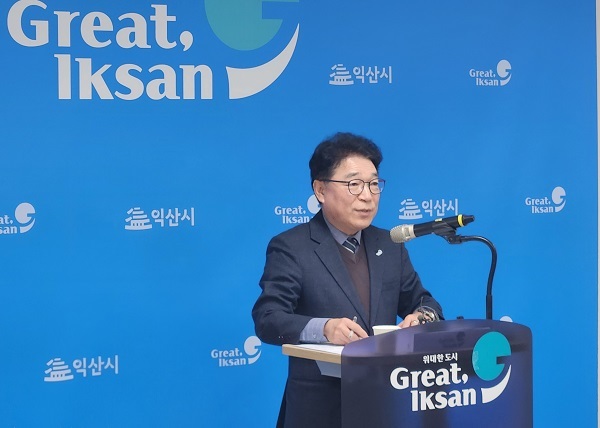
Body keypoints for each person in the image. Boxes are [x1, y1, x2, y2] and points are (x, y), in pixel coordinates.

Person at [252, 132, 443, 428]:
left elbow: (425, 302)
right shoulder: (292, 247)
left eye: (374, 184)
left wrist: (422, 318)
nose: (367, 196)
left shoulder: (390, 244)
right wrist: (325, 329)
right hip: (321, 411)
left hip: (385, 404)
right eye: (354, 184)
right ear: (320, 190)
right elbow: (268, 319)